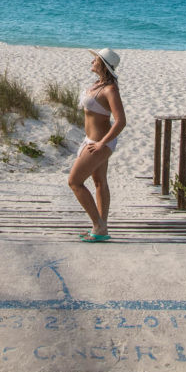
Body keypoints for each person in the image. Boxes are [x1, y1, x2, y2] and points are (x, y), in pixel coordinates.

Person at [68, 48, 126, 242]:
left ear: (103, 64)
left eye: (95, 59)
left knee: (74, 182)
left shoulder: (110, 89)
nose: (92, 61)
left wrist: (102, 143)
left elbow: (120, 121)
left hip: (100, 142)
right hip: (92, 140)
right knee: (99, 182)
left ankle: (98, 225)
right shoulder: (98, 84)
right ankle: (101, 228)